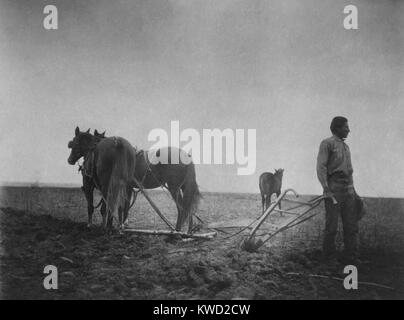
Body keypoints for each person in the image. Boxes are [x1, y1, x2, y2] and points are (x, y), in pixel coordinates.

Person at [316, 116, 359, 264]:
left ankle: (350, 257)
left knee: (351, 225)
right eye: (346, 127)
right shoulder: (327, 143)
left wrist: (354, 191)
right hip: (333, 189)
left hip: (348, 189)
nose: (349, 130)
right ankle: (329, 258)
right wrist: (326, 189)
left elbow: (349, 172)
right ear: (337, 128)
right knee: (332, 226)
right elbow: (321, 167)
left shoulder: (346, 147)